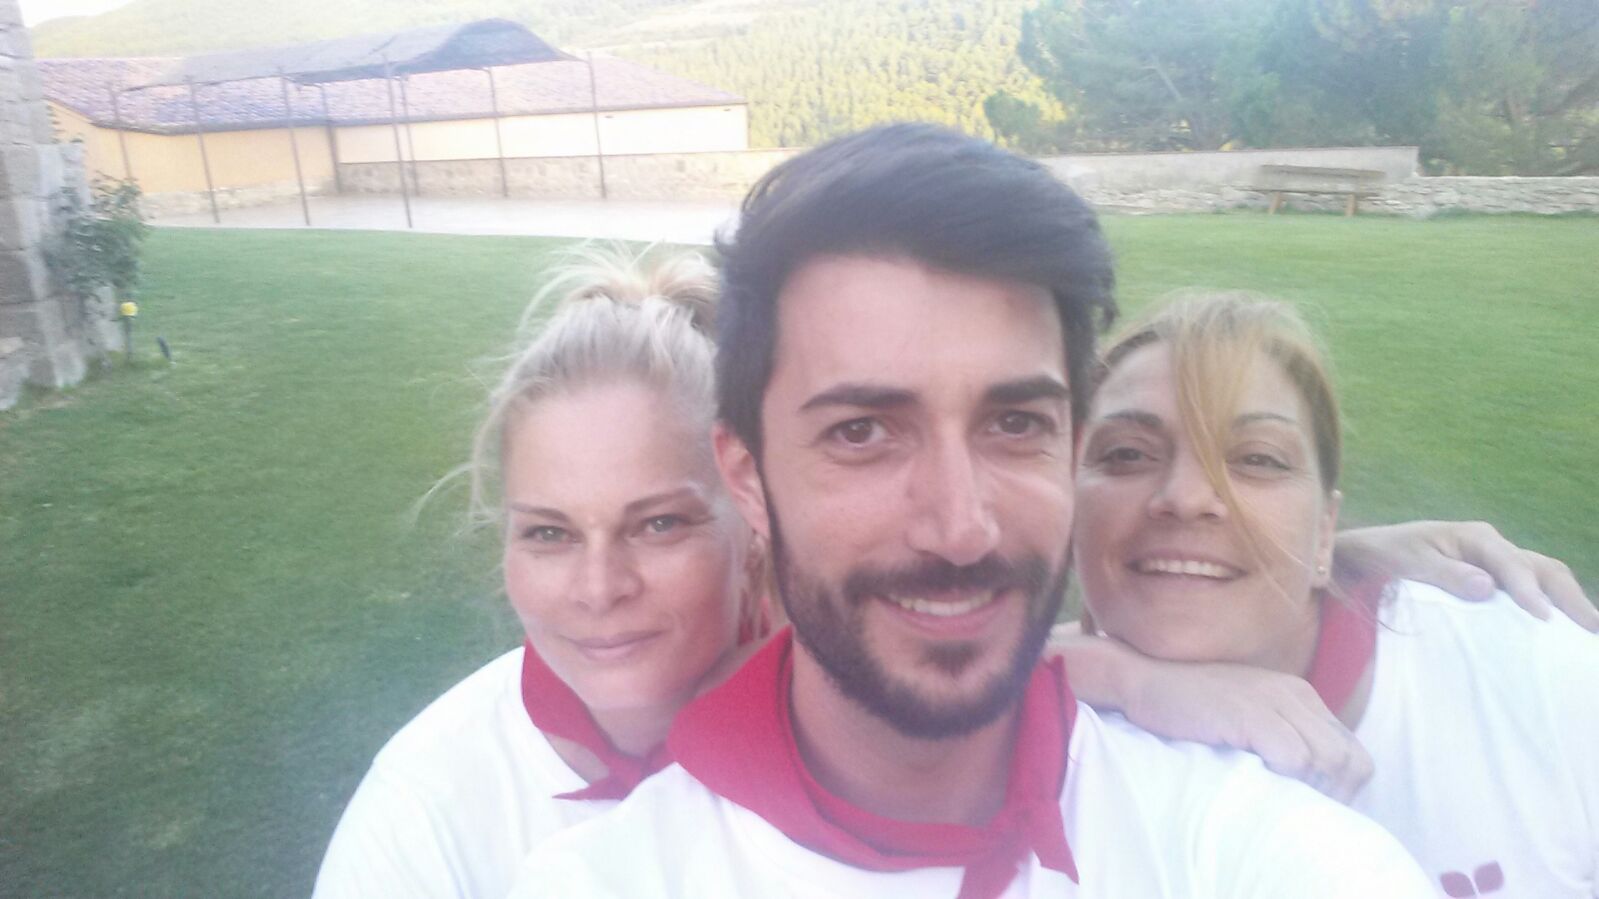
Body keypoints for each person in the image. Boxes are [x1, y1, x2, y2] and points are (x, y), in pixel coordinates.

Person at [508, 124, 1437, 897]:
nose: (960, 527)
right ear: (747, 477)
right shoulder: (600, 878)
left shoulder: (1253, 849)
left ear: (1071, 446)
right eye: (862, 431)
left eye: (1014, 423)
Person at [1066, 292, 1598, 896]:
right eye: (1127, 454)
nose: (1186, 498)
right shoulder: (1031, 740)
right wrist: (1119, 676)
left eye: (1258, 459)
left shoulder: (1539, 678)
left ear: (1325, 529)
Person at [311, 248, 769, 899]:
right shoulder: (423, 812)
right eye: (549, 533)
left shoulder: (869, 750)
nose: (599, 588)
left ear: (753, 519)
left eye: (658, 524)